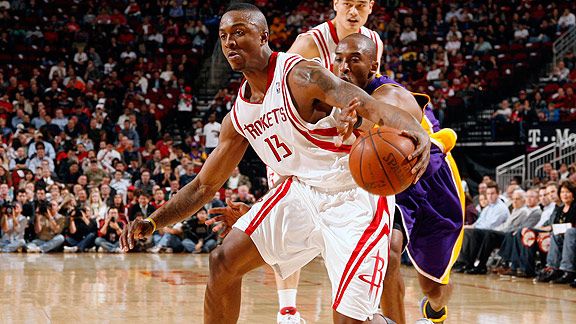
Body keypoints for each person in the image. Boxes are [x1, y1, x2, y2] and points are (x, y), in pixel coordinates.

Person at [120, 4, 430, 323]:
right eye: (224, 35)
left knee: (351, 320)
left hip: (353, 196)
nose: (230, 42)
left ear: (264, 36)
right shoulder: (239, 116)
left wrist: (416, 131)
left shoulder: (301, 75)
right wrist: (154, 222)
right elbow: (203, 186)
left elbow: (370, 105)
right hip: (300, 193)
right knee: (223, 261)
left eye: (239, 32)